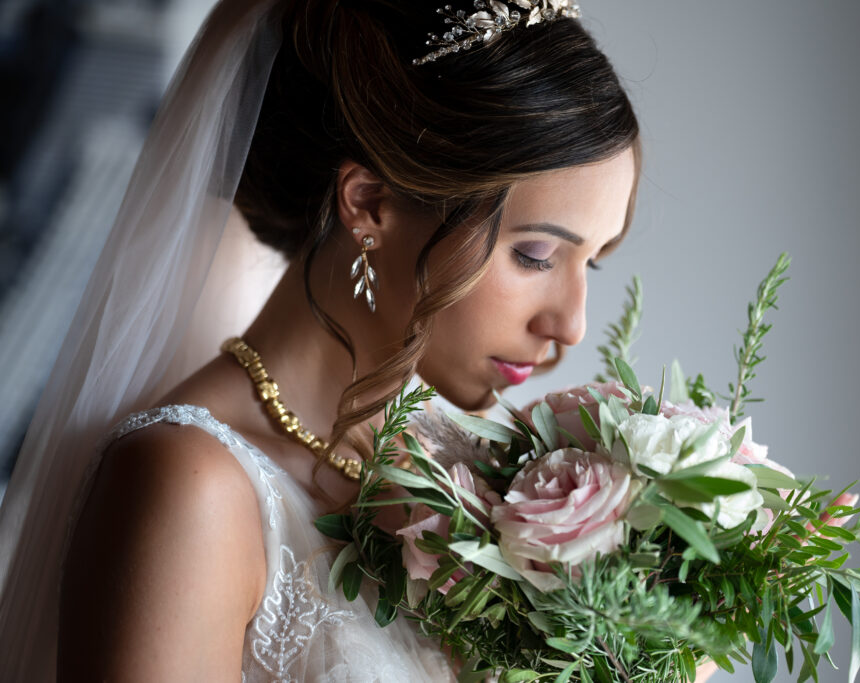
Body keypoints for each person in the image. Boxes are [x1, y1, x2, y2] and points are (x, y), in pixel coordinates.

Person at [0, 0, 674, 680]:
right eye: (534, 255)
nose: (571, 323)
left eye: (591, 262)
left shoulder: (490, 484)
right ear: (369, 204)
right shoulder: (189, 487)